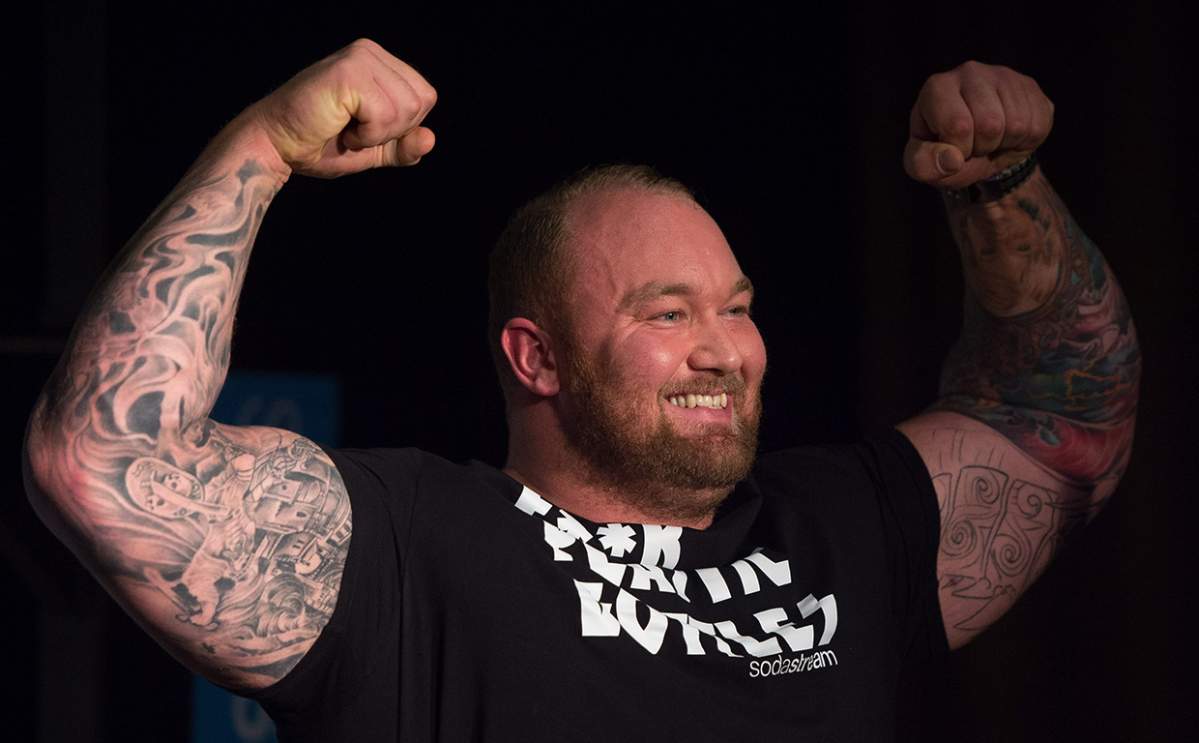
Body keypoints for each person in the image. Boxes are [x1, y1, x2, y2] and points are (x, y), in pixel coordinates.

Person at [22, 38, 1141, 741]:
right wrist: (258, 149)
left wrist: (1001, 188)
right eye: (666, 313)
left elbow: (1067, 421)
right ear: (535, 359)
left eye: (736, 306)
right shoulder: (409, 554)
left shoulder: (844, 524)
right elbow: (108, 463)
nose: (725, 350)